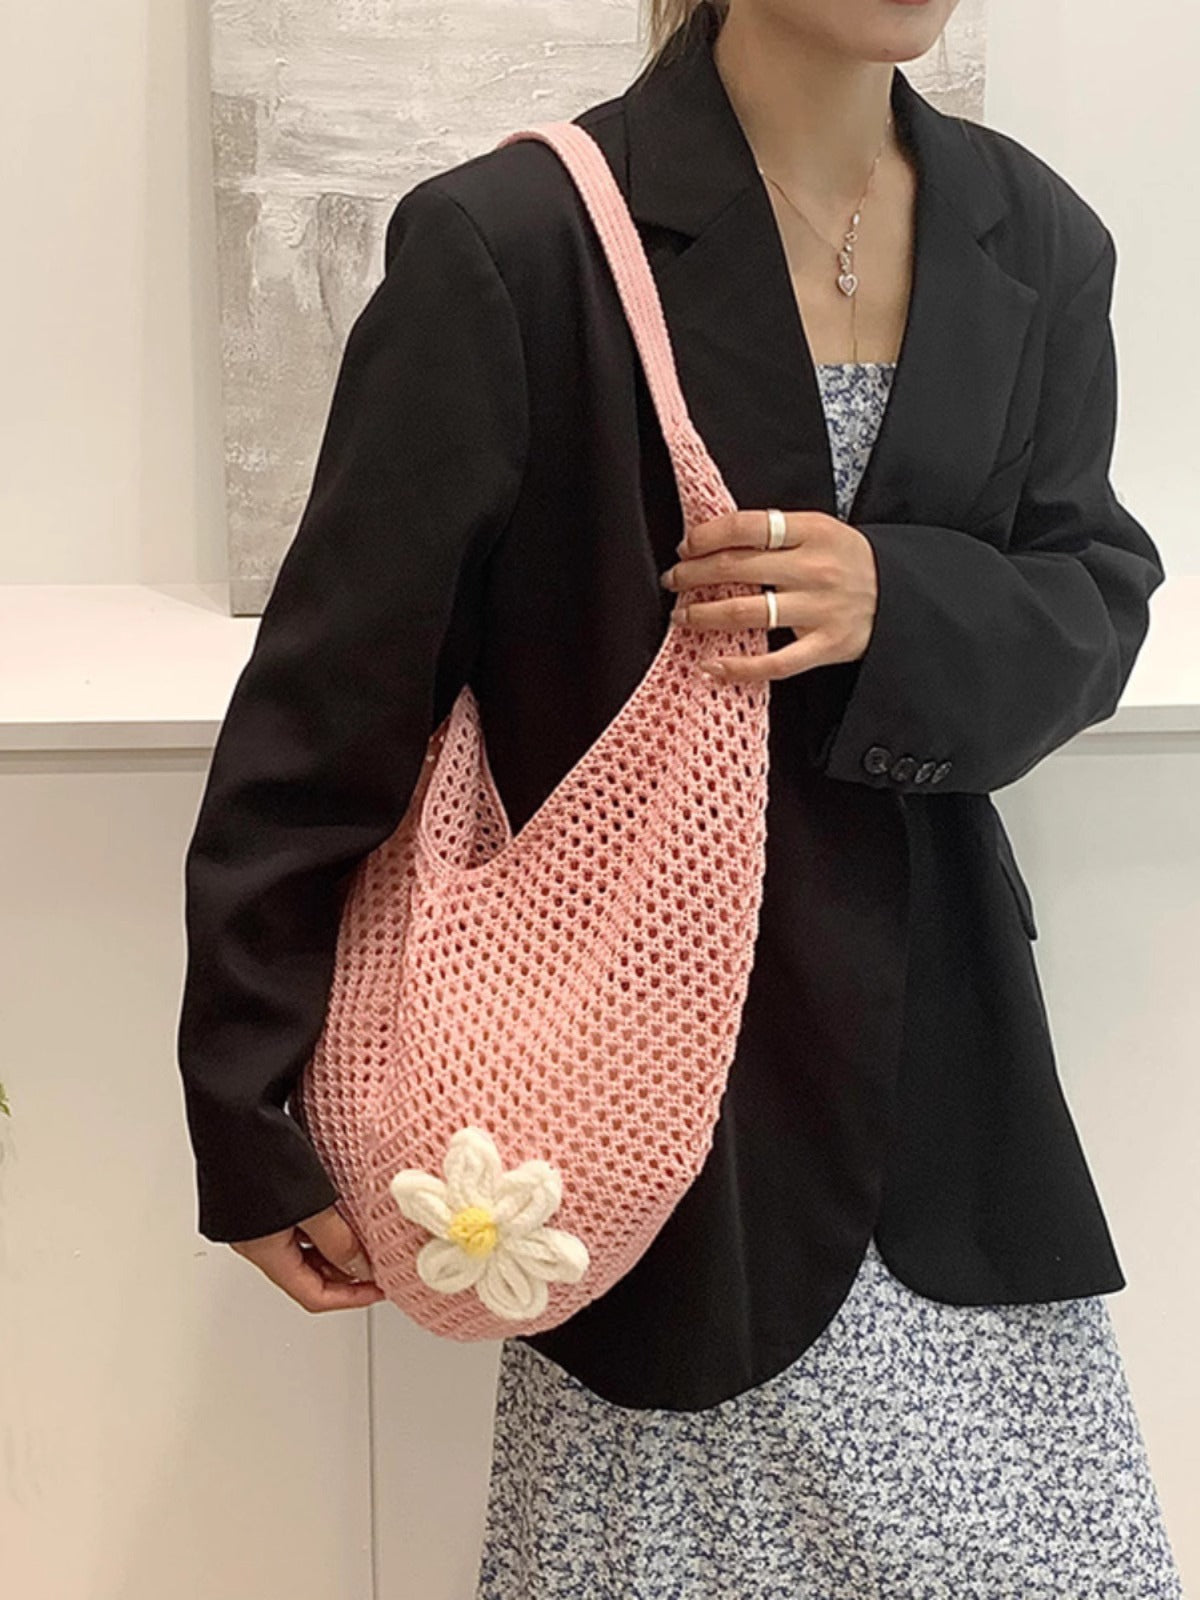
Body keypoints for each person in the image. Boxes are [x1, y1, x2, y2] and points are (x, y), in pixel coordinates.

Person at [176, 0, 1185, 1592]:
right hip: (641, 1106)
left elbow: (1095, 597)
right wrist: (244, 1112)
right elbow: (333, 700)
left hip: (949, 1088)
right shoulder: (516, 245)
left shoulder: (1035, 235)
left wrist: (899, 600)